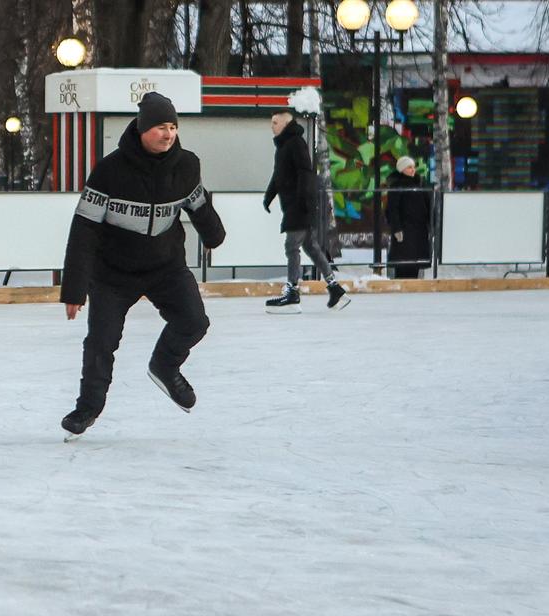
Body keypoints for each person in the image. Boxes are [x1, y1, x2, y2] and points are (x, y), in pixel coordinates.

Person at [58, 92, 227, 442]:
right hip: (113, 272)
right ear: (142, 128)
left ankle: (165, 366)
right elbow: (84, 229)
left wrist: (214, 234)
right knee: (102, 342)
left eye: (173, 127)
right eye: (160, 127)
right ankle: (87, 407)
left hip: (165, 265)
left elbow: (197, 202)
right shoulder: (109, 171)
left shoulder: (187, 165)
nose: (168, 134)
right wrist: (74, 288)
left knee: (194, 322)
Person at [263, 111, 349, 313]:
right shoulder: (284, 146)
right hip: (296, 205)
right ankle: (335, 288)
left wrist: (303, 202)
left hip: (299, 206)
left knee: (292, 246)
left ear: (285, 124)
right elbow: (278, 176)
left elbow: (305, 174)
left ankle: (292, 291)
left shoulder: (295, 143)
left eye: (275, 122)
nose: (272, 126)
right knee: (311, 247)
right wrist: (269, 196)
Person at [385, 156, 432, 280]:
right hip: (405, 229)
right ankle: (401, 284)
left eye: (413, 167)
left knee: (415, 261)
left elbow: (428, 204)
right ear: (402, 169)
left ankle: (413, 284)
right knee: (403, 261)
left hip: (419, 229)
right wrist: (397, 228)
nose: (413, 170)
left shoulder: (420, 183)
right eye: (409, 167)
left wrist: (431, 223)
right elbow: (392, 209)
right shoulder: (396, 185)